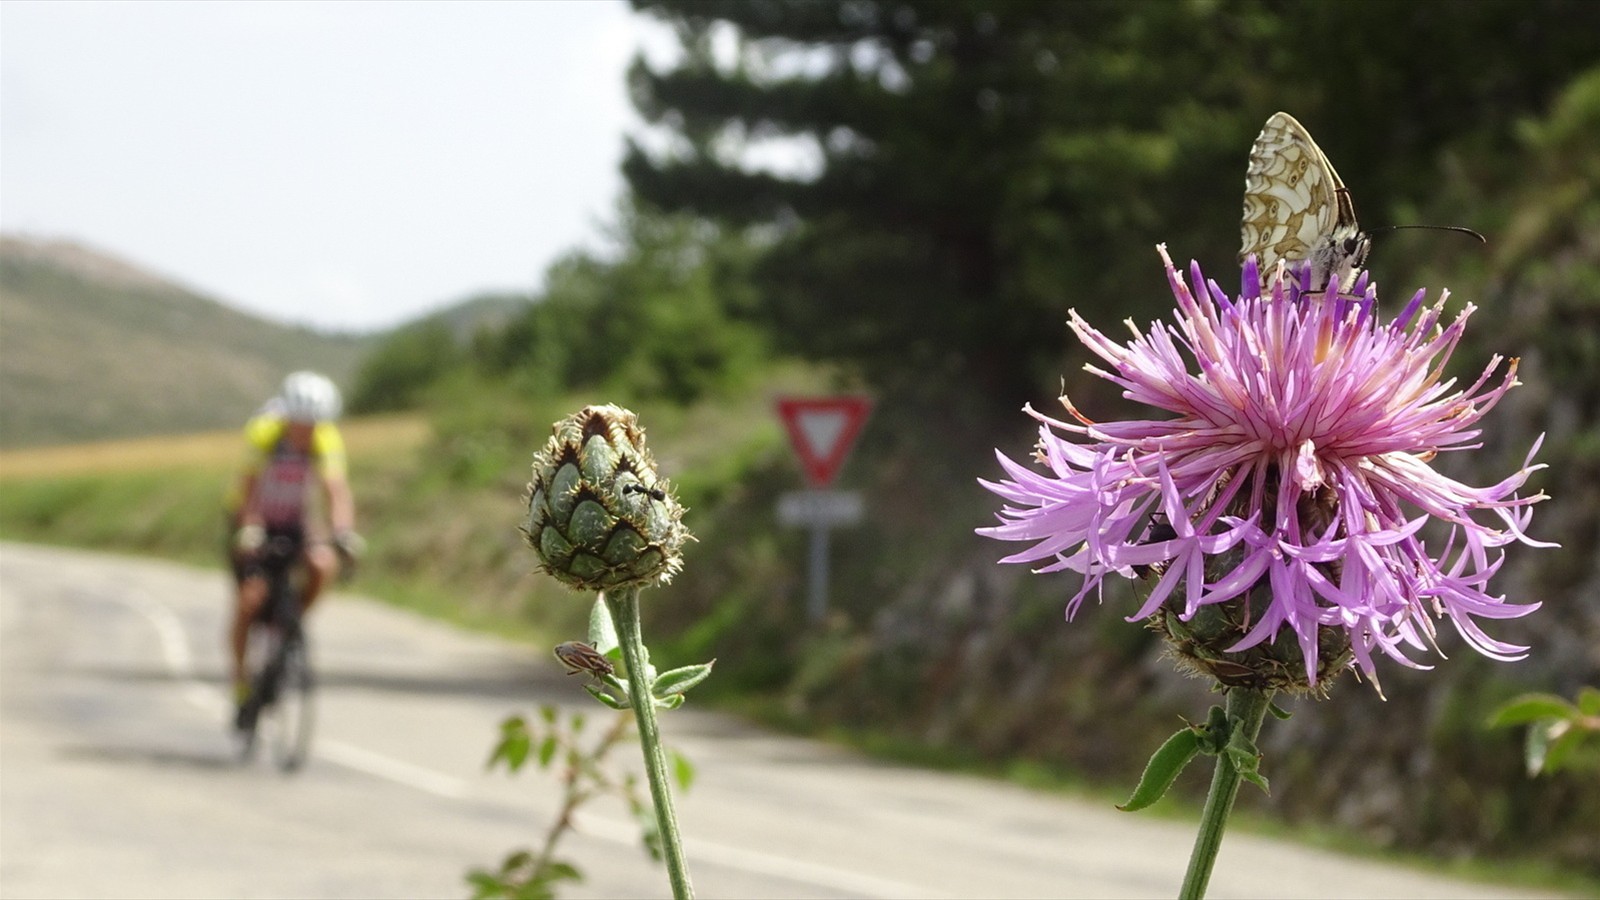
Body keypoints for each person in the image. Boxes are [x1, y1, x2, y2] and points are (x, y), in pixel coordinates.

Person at [225, 371, 362, 719]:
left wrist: (343, 530)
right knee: (248, 601)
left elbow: (335, 489)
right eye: (299, 423)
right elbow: (248, 487)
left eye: (312, 424)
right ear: (286, 417)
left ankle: (291, 625)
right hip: (255, 520)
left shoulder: (326, 438)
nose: (305, 430)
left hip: (297, 522)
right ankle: (241, 683)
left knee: (322, 564)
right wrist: (250, 526)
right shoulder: (264, 434)